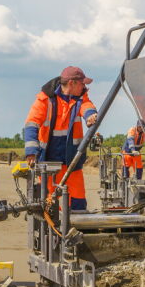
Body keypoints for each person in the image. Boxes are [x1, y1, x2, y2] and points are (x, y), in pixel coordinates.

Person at [24, 66, 98, 211]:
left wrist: (90, 115)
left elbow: (87, 105)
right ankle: (53, 232)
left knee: (78, 202)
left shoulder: (81, 96)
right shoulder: (44, 100)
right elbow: (31, 124)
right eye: (82, 83)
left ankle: (76, 232)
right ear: (71, 83)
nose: (84, 86)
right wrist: (31, 151)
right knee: (50, 204)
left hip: (73, 162)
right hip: (50, 164)